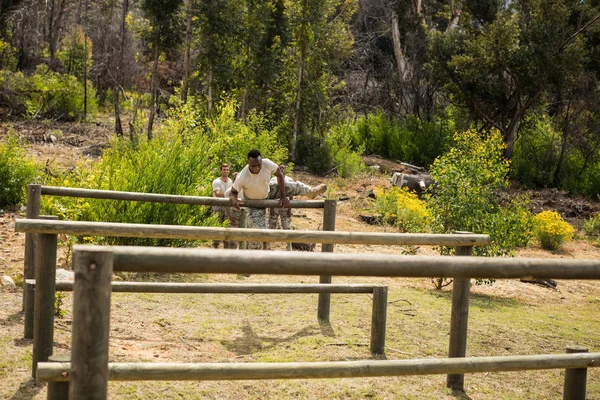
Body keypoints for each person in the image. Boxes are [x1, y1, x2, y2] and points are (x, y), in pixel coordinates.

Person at [230, 149, 327, 235]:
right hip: (254, 203)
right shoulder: (242, 176)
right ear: (248, 163)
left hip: (268, 192)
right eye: (253, 166)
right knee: (260, 233)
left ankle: (310, 191)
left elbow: (280, 175)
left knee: (291, 186)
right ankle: (261, 251)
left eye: (259, 165)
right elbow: (233, 192)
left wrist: (283, 196)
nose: (256, 168)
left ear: (261, 161)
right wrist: (234, 200)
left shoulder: (267, 163)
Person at [211, 163, 233, 248]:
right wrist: (229, 195)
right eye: (224, 169)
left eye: (227, 169)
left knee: (227, 226)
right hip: (218, 207)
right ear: (221, 170)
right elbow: (218, 194)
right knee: (217, 226)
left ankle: (226, 247)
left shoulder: (231, 181)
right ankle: (215, 246)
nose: (226, 171)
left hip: (228, 207)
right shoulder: (216, 181)